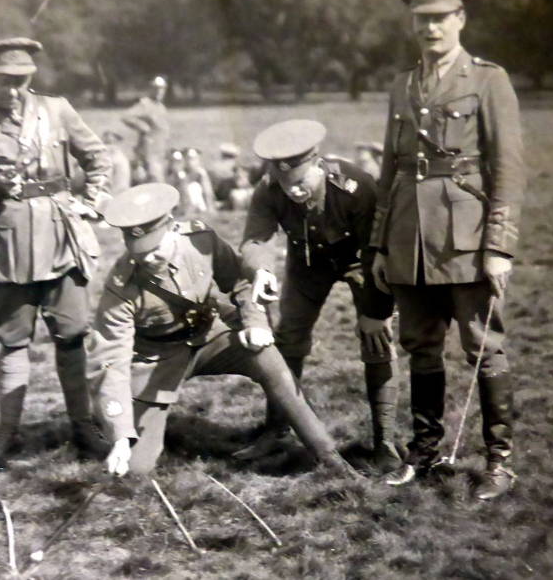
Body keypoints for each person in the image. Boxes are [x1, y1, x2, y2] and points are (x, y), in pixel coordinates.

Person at [371, 0, 525, 500]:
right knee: (420, 347)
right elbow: (390, 168)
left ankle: (500, 462)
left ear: (461, 19)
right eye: (422, 19)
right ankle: (424, 451)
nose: (431, 27)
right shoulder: (401, 84)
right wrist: (378, 245)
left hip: (468, 236)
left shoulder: (487, 80)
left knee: (484, 347)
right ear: (411, 25)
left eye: (441, 17)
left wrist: (500, 246)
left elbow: (508, 168)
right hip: (409, 237)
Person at [88, 183, 360, 478]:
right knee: (136, 469)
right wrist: (119, 437)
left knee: (267, 356)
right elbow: (110, 360)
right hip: (158, 359)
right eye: (139, 252)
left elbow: (241, 282)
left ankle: (328, 456)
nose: (148, 259)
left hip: (210, 335)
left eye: (155, 249)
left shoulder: (200, 240)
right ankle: (128, 442)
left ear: (171, 228)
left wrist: (255, 322)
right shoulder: (120, 285)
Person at [0, 37, 112, 467]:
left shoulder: (56, 110)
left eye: (21, 81)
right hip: (6, 246)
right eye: (4, 81)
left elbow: (97, 156)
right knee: (13, 341)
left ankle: (84, 424)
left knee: (72, 336)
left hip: (62, 241)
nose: (14, 90)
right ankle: (7, 431)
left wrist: (92, 202)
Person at [238, 120, 401, 473]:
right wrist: (261, 269)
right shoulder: (268, 190)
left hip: (361, 261)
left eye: (300, 183)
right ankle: (277, 430)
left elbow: (377, 249)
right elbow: (255, 239)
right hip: (307, 261)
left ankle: (384, 441)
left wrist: (377, 309)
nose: (293, 192)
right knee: (289, 338)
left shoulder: (356, 186)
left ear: (317, 164)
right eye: (285, 184)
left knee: (377, 339)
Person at [122, 76, 170, 184]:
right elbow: (126, 116)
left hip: (161, 153)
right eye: (156, 88)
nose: (159, 91)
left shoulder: (161, 107)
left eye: (162, 88)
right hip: (150, 153)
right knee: (156, 184)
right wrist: (141, 125)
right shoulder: (146, 104)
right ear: (151, 89)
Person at [182, 148, 215, 214]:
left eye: (194, 159)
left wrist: (210, 207)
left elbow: (207, 192)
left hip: (200, 204)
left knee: (195, 187)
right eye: (188, 159)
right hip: (185, 203)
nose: (191, 162)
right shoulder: (181, 173)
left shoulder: (201, 173)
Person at [102, 130, 132, 194]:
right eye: (105, 143)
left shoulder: (117, 158)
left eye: (109, 143)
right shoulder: (121, 157)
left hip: (116, 194)